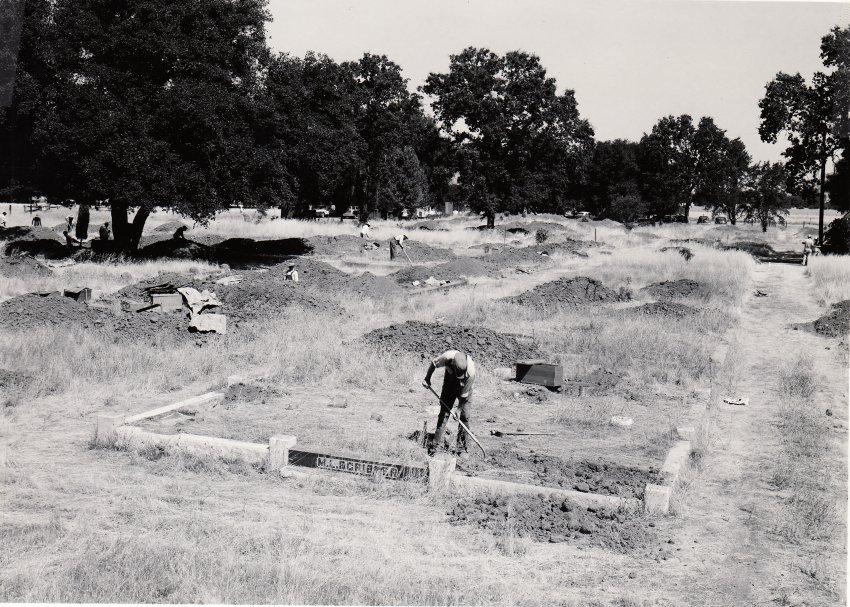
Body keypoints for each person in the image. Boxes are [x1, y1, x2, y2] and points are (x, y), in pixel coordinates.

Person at [424, 350, 476, 457]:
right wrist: (427, 378)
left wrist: (459, 409)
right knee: (444, 413)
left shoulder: (470, 372)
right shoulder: (447, 357)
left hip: (465, 389)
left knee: (464, 416)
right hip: (449, 384)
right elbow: (433, 364)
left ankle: (462, 447)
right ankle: (435, 445)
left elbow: (464, 395)